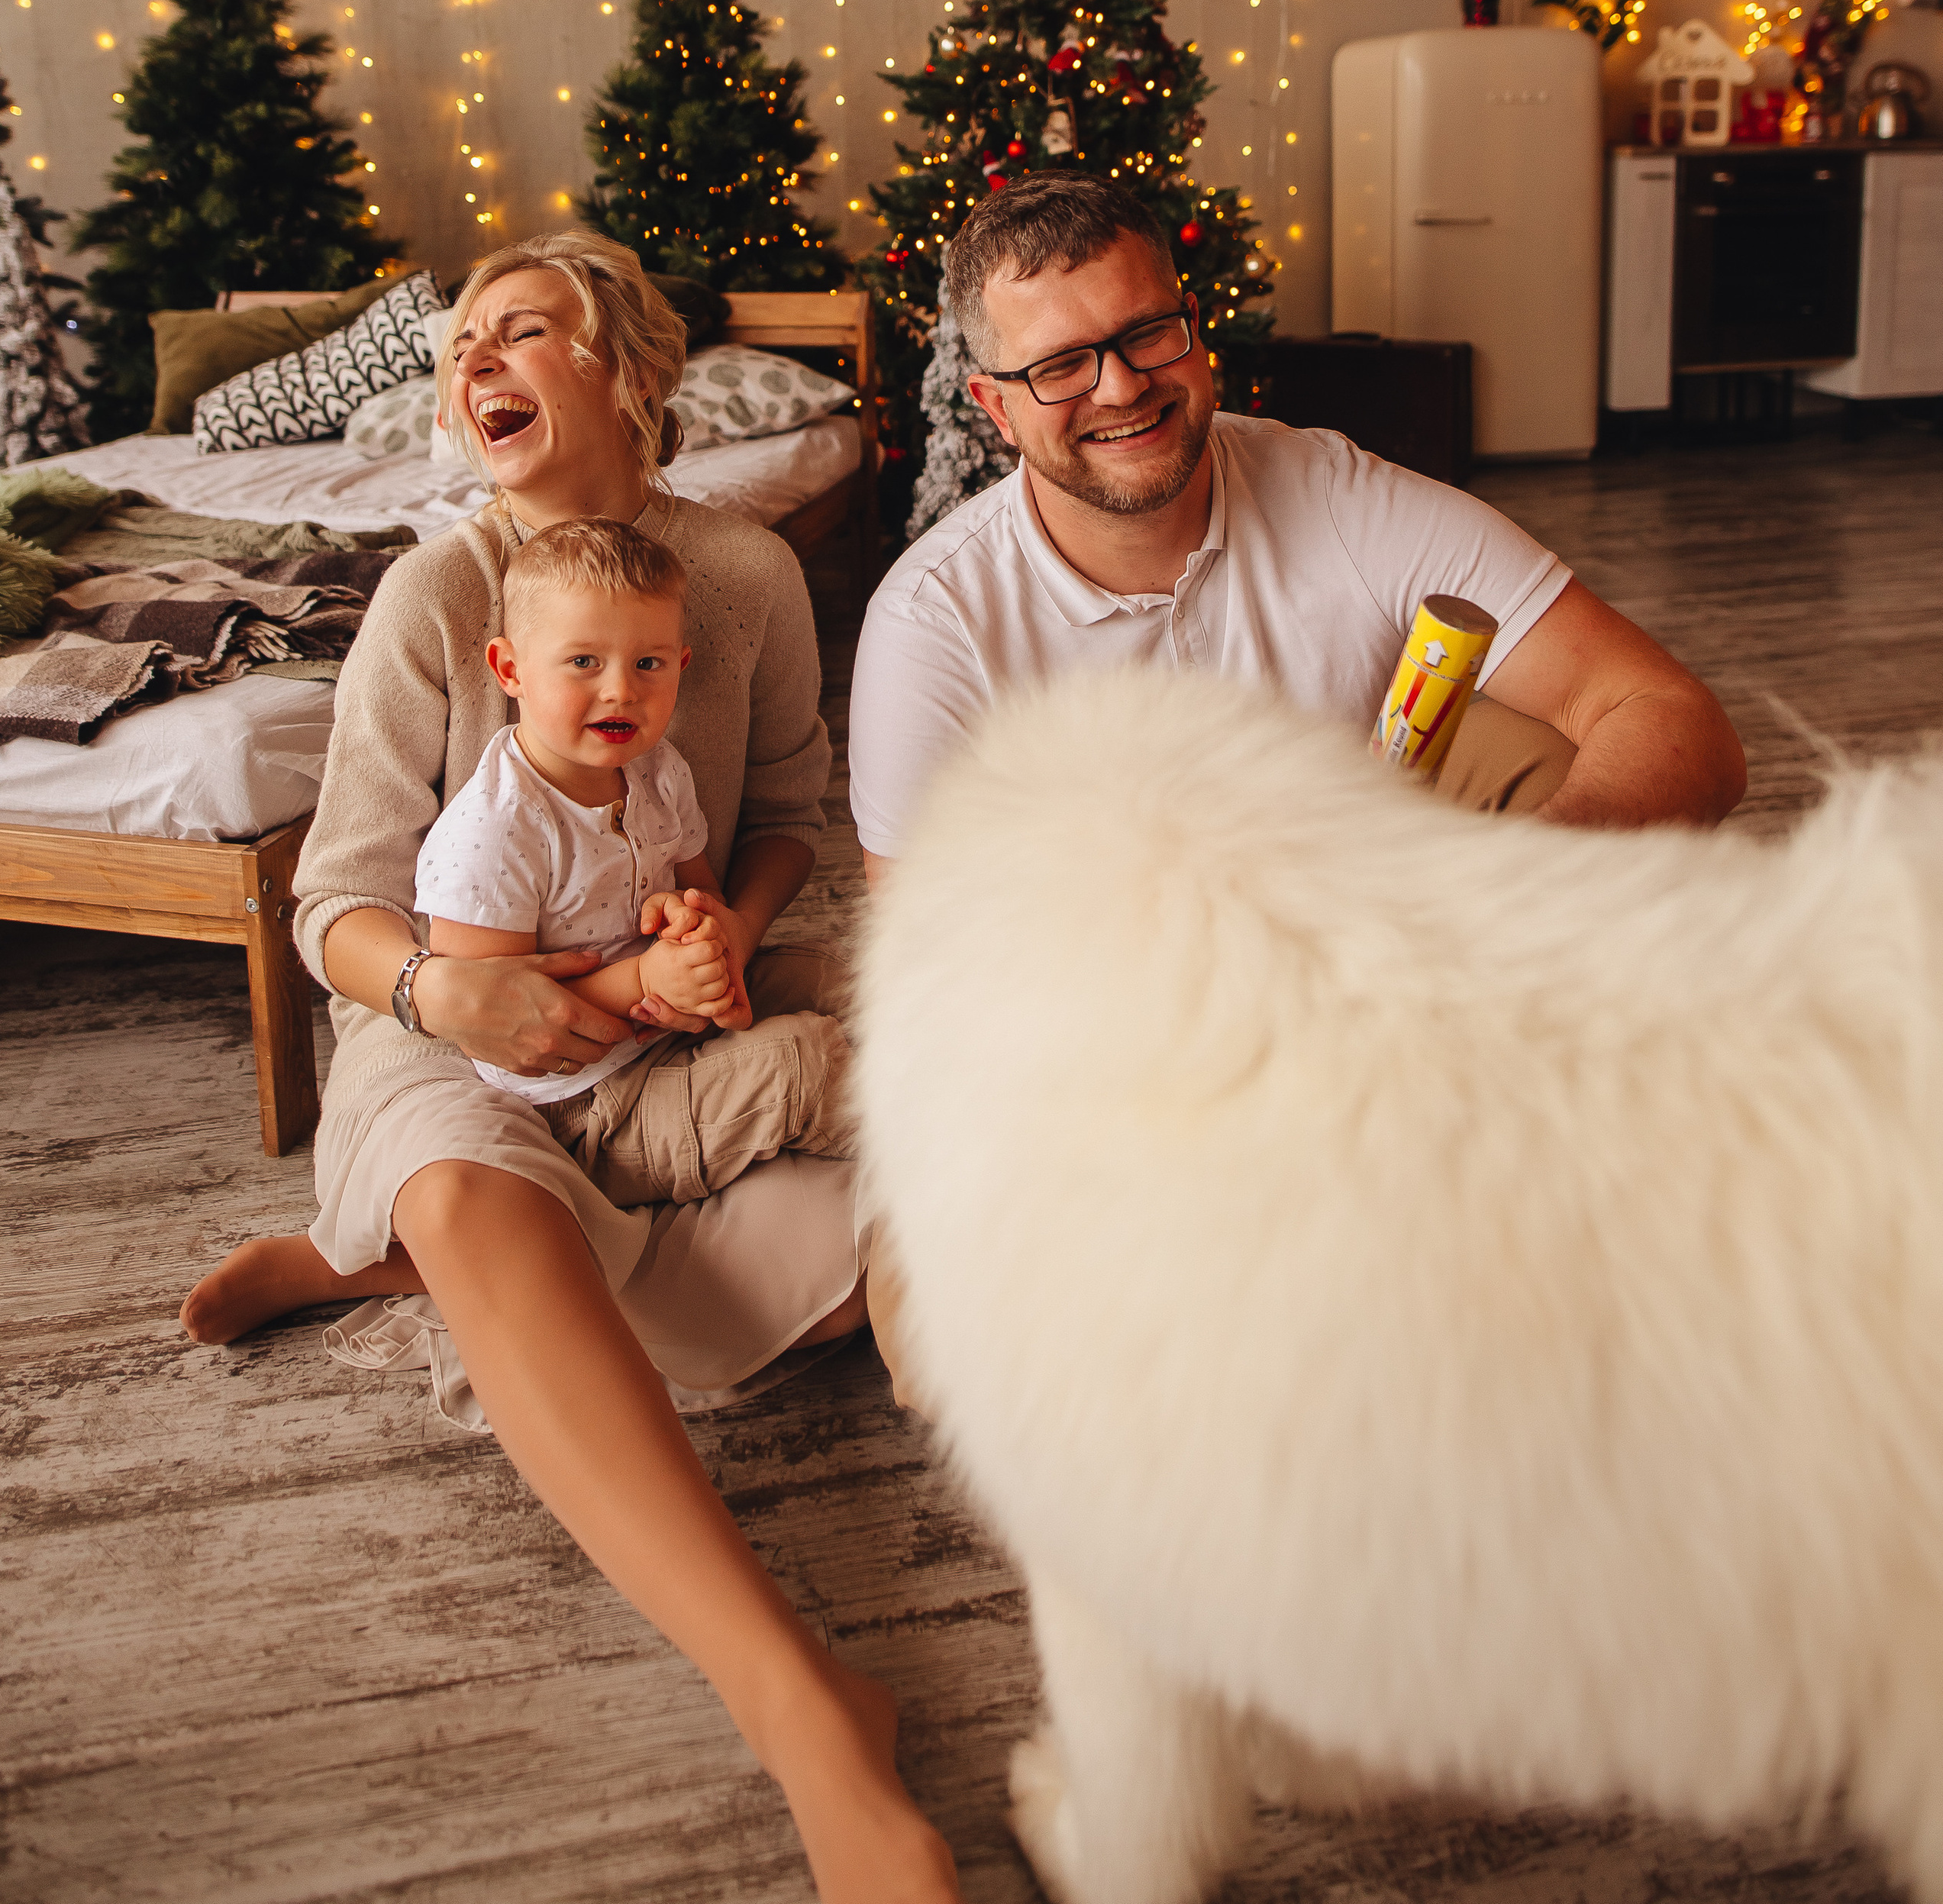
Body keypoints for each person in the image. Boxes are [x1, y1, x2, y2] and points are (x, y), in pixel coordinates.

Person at [182, 231, 958, 1904]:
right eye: (460, 344)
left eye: (518, 330)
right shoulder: (437, 600)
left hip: (670, 1010)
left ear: (626, 369)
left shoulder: (744, 577)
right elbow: (334, 908)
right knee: (481, 1190)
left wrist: (726, 931)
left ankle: (386, 1268)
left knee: (919, 1148)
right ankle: (804, 1710)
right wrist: (448, 997)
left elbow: (787, 819)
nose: (473, 360)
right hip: (450, 1026)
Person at [851, 175, 1748, 869]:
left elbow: (1669, 716)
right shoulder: (933, 622)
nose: (1120, 387)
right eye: (1059, 367)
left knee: (1537, 750)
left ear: (1193, 327)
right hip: (1122, 999)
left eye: (1148, 332)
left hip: (1376, 936)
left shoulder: (1339, 497)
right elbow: (922, 952)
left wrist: (1525, 879)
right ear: (996, 410)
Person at [418, 515, 850, 1197]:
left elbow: (702, 892)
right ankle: (954, 1143)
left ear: (680, 664)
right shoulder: (496, 829)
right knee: (806, 1062)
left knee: (844, 979)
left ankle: (966, 1066)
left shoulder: (659, 770)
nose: (621, 690)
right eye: (583, 662)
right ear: (511, 670)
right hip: (583, 1103)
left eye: (648, 663)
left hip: (673, 1031)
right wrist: (648, 978)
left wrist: (700, 935)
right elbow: (495, 1019)